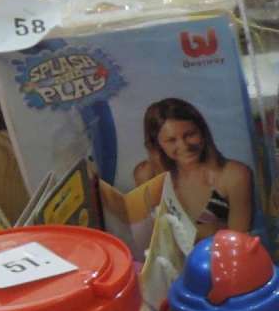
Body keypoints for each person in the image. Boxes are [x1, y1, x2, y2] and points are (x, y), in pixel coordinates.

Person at [101, 97, 253, 240]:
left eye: (190, 135)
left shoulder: (234, 175)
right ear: (157, 144)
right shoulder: (147, 175)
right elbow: (148, 237)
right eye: (171, 140)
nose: (184, 146)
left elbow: (239, 244)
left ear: (203, 132)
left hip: (217, 258)